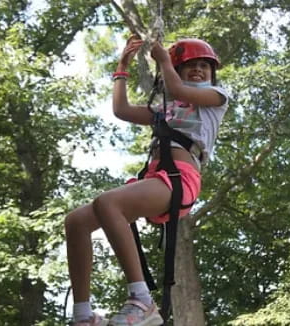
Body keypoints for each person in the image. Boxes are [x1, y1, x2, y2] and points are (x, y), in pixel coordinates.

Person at [64, 35, 229, 326]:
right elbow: (122, 110)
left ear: (212, 72)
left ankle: (142, 300)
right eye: (189, 65)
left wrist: (164, 59)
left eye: (204, 65)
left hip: (181, 180)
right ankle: (83, 316)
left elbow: (178, 88)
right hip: (157, 179)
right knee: (76, 222)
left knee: (108, 203)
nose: (198, 70)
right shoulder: (167, 109)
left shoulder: (216, 97)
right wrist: (122, 68)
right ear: (177, 71)